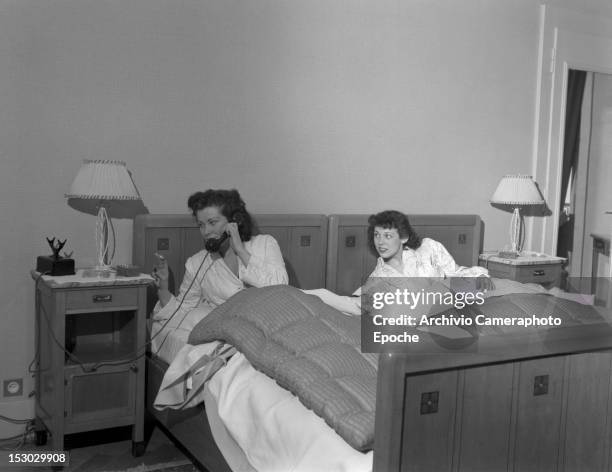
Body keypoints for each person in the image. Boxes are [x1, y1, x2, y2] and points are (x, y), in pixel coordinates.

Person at [151, 189, 289, 346]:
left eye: (212, 223)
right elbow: (183, 310)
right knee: (198, 316)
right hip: (233, 331)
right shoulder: (196, 263)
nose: (206, 232)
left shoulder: (265, 243)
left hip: (275, 324)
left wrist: (240, 250)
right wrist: (163, 287)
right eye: (201, 225)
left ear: (234, 221)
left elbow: (281, 288)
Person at [364, 210, 493, 288]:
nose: (380, 242)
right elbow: (360, 302)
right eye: (376, 235)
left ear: (403, 238)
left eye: (387, 236)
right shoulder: (378, 276)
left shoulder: (428, 248)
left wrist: (479, 275)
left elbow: (455, 271)